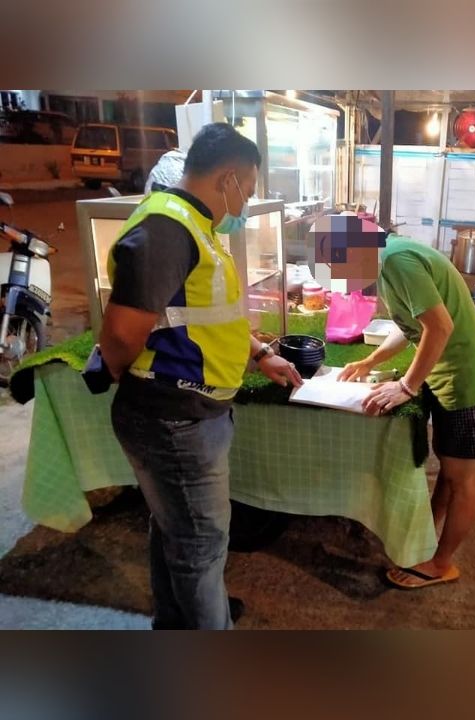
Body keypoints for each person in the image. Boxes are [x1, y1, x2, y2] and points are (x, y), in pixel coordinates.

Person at [100, 123, 302, 629]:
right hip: (174, 419)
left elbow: (205, 316)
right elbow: (120, 334)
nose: (246, 202)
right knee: (201, 547)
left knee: (177, 531)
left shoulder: (196, 226)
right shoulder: (168, 229)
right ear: (228, 178)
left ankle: (175, 623)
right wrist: (135, 378)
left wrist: (260, 354)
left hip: (189, 414)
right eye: (248, 190)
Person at [335, 221, 475, 590]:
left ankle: (441, 565)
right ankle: (429, 537)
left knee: (463, 481)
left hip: (468, 381)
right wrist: (371, 361)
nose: (346, 279)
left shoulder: (396, 261)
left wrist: (407, 386)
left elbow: (439, 327)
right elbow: (410, 324)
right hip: (450, 378)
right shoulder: (393, 255)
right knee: (450, 471)